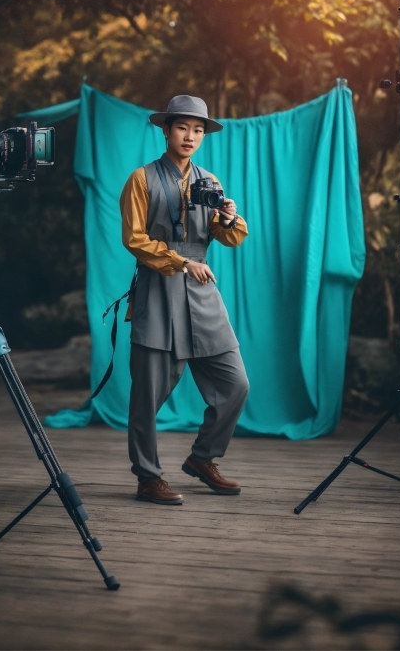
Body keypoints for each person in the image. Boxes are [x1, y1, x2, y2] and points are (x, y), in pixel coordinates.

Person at [120, 94, 250, 505]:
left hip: (202, 294)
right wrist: (179, 262)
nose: (191, 136)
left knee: (235, 385)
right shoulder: (141, 179)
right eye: (183, 127)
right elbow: (135, 239)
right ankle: (147, 478)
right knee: (147, 396)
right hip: (159, 293)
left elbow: (229, 236)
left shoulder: (210, 182)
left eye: (198, 130)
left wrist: (229, 218)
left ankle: (203, 458)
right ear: (166, 129)